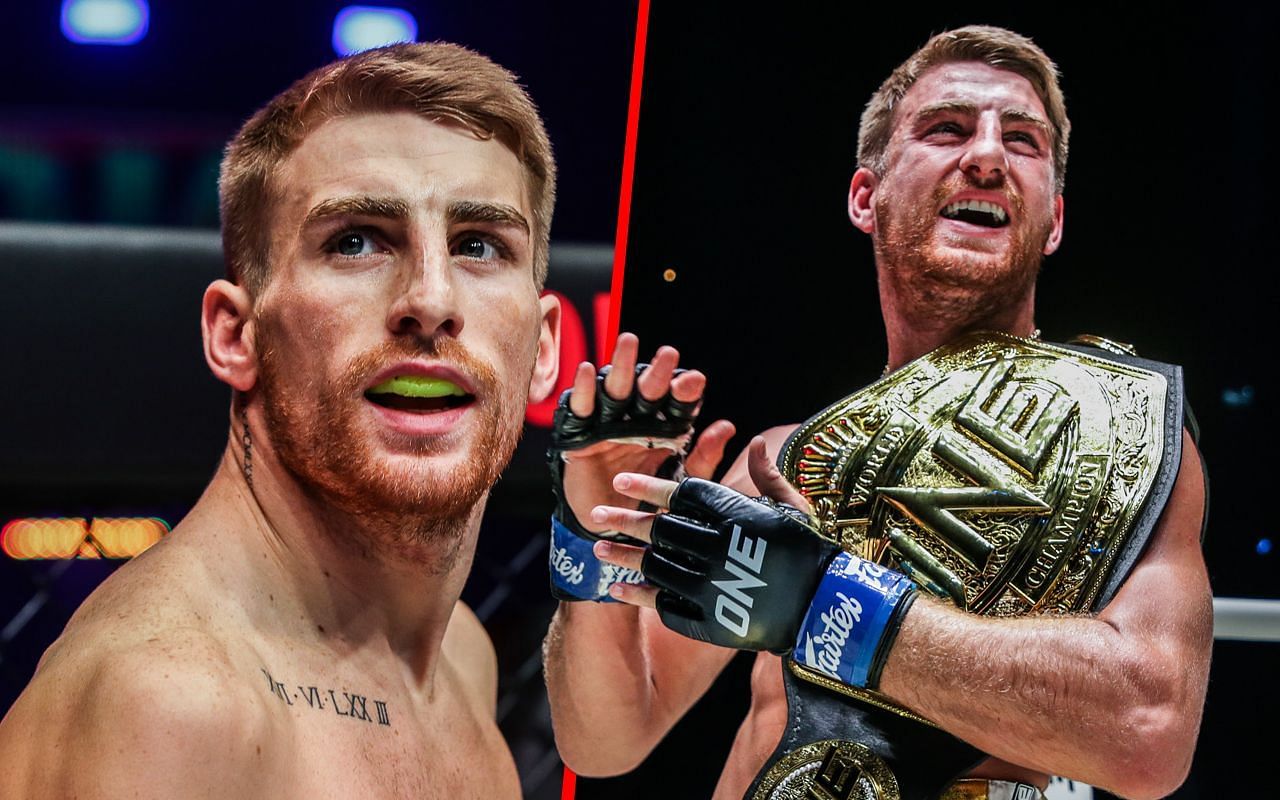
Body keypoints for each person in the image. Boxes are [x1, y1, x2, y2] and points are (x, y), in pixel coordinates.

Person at [543, 26, 1210, 800]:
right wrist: (590, 528)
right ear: (867, 196)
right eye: (948, 129)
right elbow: (606, 739)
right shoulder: (785, 460)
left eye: (1022, 141)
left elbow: (1148, 732)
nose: (988, 157)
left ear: (1053, 220)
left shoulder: (1123, 427)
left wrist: (821, 598)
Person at [0, 43, 560, 799]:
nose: (431, 300)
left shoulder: (460, 652)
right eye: (355, 241)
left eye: (479, 246)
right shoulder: (169, 702)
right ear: (236, 334)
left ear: (546, 347)